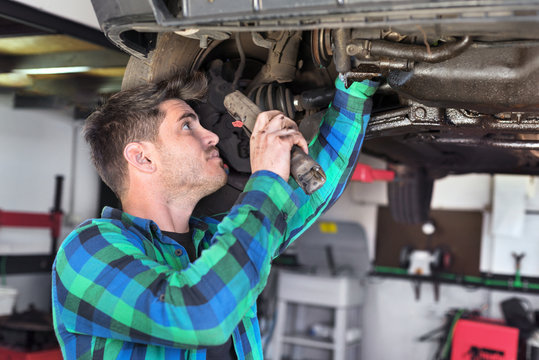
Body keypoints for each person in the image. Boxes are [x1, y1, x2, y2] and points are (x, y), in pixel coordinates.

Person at [51, 70, 377, 359]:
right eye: (187, 125)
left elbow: (308, 191)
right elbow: (202, 314)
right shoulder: (85, 251)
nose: (212, 136)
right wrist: (266, 179)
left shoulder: (215, 241)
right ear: (142, 158)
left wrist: (355, 88)